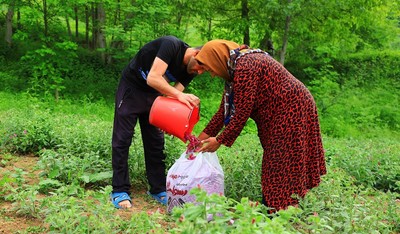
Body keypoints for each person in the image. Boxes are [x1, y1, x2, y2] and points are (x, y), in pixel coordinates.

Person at [194, 39, 326, 212]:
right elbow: (222, 114)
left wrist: (219, 140)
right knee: (280, 161)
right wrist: (197, 142)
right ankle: (280, 207)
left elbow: (241, 112)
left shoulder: (246, 66)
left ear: (218, 59)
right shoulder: (235, 70)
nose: (211, 74)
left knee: (278, 163)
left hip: (291, 107)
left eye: (210, 68)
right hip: (283, 110)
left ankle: (277, 211)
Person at [111, 36, 204, 209]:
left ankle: (157, 188)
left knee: (155, 142)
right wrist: (180, 96)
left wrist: (169, 120)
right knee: (122, 139)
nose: (200, 72)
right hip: (132, 88)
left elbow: (172, 95)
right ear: (196, 54)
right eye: (201, 67)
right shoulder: (171, 45)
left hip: (155, 96)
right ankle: (119, 189)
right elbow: (153, 78)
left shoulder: (191, 70)